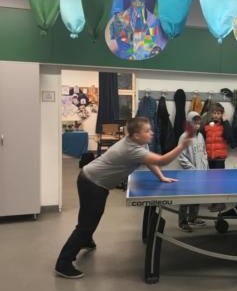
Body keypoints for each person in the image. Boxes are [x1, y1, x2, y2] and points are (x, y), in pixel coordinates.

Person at [55, 117, 192, 279]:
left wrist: (161, 177)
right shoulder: (132, 149)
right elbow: (162, 160)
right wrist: (181, 146)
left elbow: (150, 162)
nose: (151, 133)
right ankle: (63, 263)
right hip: (93, 183)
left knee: (90, 217)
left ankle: (85, 240)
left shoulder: (140, 144)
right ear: (135, 135)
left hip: (92, 179)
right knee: (86, 223)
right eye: (147, 131)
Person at [177, 111, 208, 232]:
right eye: (195, 122)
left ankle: (193, 218)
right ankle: (182, 222)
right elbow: (181, 156)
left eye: (199, 123)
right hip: (188, 174)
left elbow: (204, 153)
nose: (197, 125)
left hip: (200, 173)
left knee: (197, 196)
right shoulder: (184, 137)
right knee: (185, 198)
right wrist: (192, 170)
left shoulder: (200, 136)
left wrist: (205, 168)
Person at [203, 103, 232, 169]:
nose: (216, 115)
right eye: (214, 113)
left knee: (219, 178)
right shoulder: (207, 125)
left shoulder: (225, 125)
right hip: (209, 158)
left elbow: (229, 137)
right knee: (210, 178)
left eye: (218, 113)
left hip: (220, 159)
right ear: (211, 114)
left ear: (222, 114)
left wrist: (225, 121)